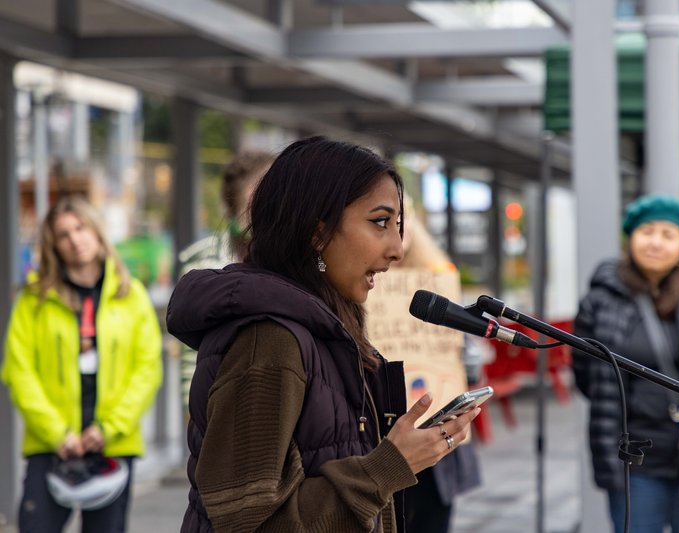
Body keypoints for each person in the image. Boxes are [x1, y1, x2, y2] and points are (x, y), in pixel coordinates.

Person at [166, 136, 480, 532]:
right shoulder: (269, 339)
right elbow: (249, 524)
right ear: (317, 232)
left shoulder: (328, 325)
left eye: (398, 226)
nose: (397, 249)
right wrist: (390, 465)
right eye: (380, 222)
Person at [571, 194, 679, 533]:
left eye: (668, 234)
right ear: (630, 238)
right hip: (634, 459)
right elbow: (586, 375)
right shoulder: (601, 299)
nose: (656, 242)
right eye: (646, 231)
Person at [2, 196, 163, 532]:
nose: (75, 240)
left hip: (112, 444)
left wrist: (108, 428)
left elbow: (147, 368)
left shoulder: (130, 295)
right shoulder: (34, 300)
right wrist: (57, 433)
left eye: (80, 228)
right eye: (63, 234)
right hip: (52, 445)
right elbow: (19, 370)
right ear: (53, 245)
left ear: (97, 231)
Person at [387, 198, 482, 532]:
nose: (399, 228)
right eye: (384, 219)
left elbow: (466, 361)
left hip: (435, 439)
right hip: (380, 445)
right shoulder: (353, 290)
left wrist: (466, 362)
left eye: (404, 218)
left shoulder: (437, 280)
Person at [177, 150, 274, 409]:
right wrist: (192, 413)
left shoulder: (290, 252)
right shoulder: (204, 260)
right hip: (219, 402)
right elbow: (190, 352)